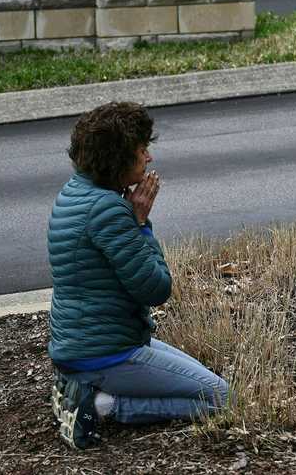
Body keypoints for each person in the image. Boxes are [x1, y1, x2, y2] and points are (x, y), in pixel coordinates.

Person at [47, 102, 229, 448]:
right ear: (117, 158)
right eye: (141, 149)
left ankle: (78, 385)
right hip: (105, 353)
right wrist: (141, 223)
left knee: (209, 382)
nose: (149, 157)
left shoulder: (75, 191)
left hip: (82, 345)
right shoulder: (108, 209)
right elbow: (156, 288)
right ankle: (100, 405)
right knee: (221, 398)